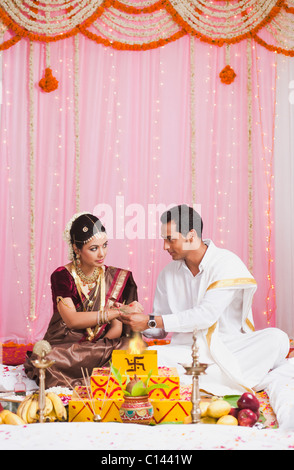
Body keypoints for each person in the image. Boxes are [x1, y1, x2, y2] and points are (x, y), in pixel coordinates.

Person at [119, 204, 290, 398]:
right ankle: (237, 379)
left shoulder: (226, 262)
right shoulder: (167, 274)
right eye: (164, 239)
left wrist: (151, 319)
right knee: (151, 356)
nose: (165, 246)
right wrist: (134, 319)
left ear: (191, 235)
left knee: (277, 339)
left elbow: (205, 316)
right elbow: (159, 329)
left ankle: (210, 380)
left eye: (170, 239)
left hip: (231, 348)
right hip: (186, 353)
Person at [25, 212, 143, 388]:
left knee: (132, 347)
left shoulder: (115, 277)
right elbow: (72, 321)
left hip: (100, 347)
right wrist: (117, 312)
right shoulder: (62, 276)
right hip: (67, 347)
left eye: (104, 245)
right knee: (46, 359)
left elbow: (117, 328)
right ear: (76, 249)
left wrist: (96, 348)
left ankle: (91, 375)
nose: (101, 253)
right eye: (93, 248)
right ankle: (97, 378)